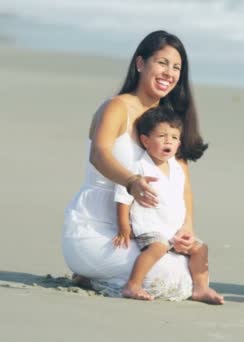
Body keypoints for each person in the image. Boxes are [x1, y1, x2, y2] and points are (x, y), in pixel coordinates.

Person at [63, 30, 223, 303]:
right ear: (140, 64)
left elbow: (184, 188)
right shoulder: (117, 107)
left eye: (176, 67)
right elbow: (98, 153)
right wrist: (131, 181)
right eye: (161, 63)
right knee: (171, 279)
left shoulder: (170, 123)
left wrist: (187, 228)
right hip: (98, 229)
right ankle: (95, 272)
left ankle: (98, 276)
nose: (169, 73)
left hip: (148, 235)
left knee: (188, 270)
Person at [112, 106, 223, 303]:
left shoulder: (177, 169)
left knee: (200, 248)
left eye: (174, 137)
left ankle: (200, 288)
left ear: (179, 143)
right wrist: (123, 227)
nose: (168, 141)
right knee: (159, 246)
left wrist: (184, 230)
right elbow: (123, 196)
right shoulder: (139, 167)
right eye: (162, 136)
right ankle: (133, 284)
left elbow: (180, 201)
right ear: (145, 140)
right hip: (150, 227)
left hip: (174, 230)